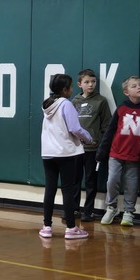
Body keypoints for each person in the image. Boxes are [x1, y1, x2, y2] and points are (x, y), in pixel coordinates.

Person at [40, 73, 93, 239]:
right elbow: (75, 129)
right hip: (65, 153)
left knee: (50, 189)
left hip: (48, 153)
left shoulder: (48, 104)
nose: (71, 90)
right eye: (70, 87)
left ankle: (46, 226)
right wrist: (88, 138)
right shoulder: (66, 104)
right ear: (65, 89)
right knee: (68, 190)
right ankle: (71, 228)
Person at [96, 75, 140, 226]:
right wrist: (101, 152)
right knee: (112, 180)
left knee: (132, 184)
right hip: (116, 153)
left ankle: (129, 211)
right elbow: (110, 131)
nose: (138, 87)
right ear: (126, 92)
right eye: (134, 86)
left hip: (135, 155)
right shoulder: (122, 108)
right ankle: (111, 208)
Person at [72, 68, 112, 220]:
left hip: (92, 149)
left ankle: (88, 211)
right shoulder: (74, 101)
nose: (91, 85)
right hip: (76, 149)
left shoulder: (101, 101)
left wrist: (100, 143)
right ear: (79, 84)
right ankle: (73, 209)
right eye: (87, 82)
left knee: (90, 181)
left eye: (93, 82)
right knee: (74, 180)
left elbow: (106, 126)